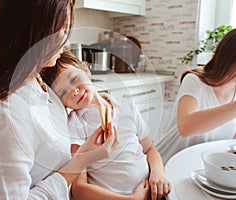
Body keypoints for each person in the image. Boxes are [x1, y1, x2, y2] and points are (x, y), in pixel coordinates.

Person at [0, 0, 119, 199]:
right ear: (33, 32)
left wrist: (98, 101)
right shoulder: (4, 117)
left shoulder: (37, 79)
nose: (67, 42)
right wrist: (81, 161)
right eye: (62, 30)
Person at [41, 51, 171, 200]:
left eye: (74, 79)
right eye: (63, 93)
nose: (74, 91)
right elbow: (79, 189)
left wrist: (158, 173)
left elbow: (149, 149)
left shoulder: (126, 105)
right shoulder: (76, 124)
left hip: (153, 191)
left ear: (85, 69)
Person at [156, 28, 236, 163]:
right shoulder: (195, 81)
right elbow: (186, 127)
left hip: (202, 168)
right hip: (167, 165)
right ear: (229, 58)